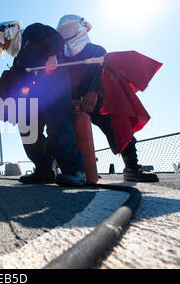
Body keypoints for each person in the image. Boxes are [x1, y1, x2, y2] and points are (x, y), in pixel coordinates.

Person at [56, 15, 159, 182]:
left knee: (117, 122)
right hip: (70, 101)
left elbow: (100, 72)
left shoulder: (96, 50)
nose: (67, 34)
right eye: (63, 32)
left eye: (71, 28)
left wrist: (93, 93)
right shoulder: (60, 57)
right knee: (60, 129)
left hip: (96, 98)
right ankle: (69, 169)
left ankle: (132, 166)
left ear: (82, 28)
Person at [0, 21, 86, 187]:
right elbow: (18, 77)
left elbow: (56, 38)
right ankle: (43, 170)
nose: (2, 45)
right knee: (27, 125)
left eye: (0, 39)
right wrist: (5, 81)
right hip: (36, 93)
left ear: (9, 30)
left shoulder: (32, 31)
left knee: (57, 123)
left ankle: (74, 170)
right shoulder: (18, 59)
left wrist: (53, 56)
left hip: (55, 83)